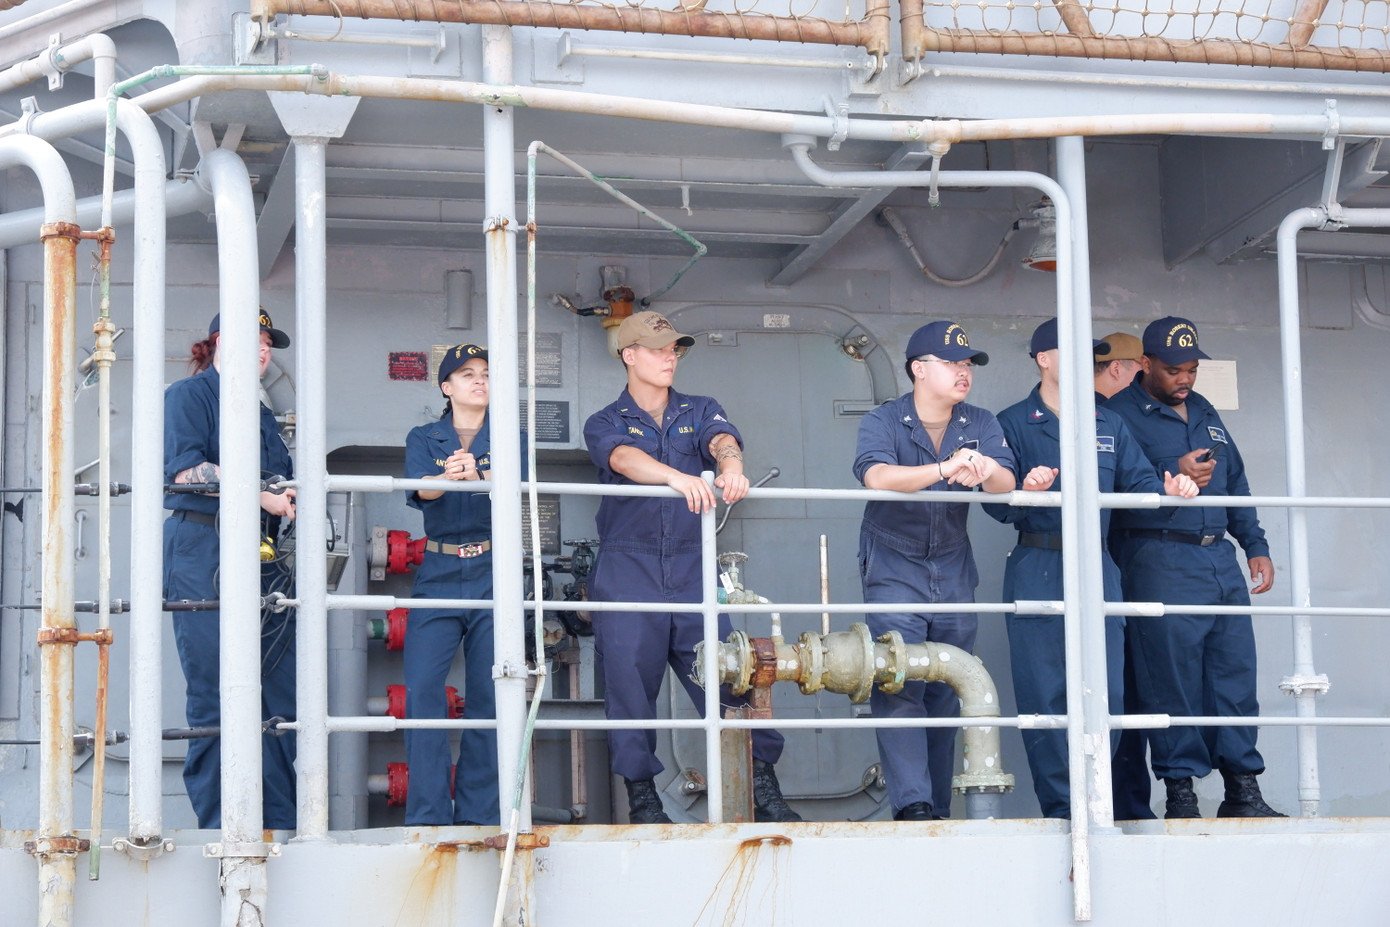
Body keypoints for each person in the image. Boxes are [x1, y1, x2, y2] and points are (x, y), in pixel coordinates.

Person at [583, 310, 799, 825]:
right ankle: (644, 802)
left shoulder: (700, 409)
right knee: (629, 683)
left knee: (730, 672)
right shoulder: (605, 421)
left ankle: (763, 788)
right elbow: (622, 461)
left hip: (690, 567)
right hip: (627, 568)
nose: (668, 357)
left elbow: (723, 440)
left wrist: (731, 466)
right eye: (657, 349)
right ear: (628, 355)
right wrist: (676, 479)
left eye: (674, 349)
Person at [983, 318, 1198, 819]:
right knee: (1045, 695)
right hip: (1040, 560)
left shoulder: (1108, 423)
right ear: (1044, 358)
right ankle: (1062, 811)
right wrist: (1024, 493)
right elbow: (994, 507)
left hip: (1100, 566)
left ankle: (1098, 804)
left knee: (1110, 694)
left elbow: (1142, 488)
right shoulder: (1013, 421)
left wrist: (1170, 492)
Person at [1105, 316, 1284, 819]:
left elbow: (1236, 480)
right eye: (1173, 370)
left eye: (1191, 370)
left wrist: (1254, 544)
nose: (1184, 379)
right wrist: (1174, 474)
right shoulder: (1117, 416)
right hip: (1158, 553)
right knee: (1171, 679)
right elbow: (1110, 498)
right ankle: (1181, 793)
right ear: (1145, 364)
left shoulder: (1203, 409)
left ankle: (1242, 789)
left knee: (1234, 673)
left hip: (1217, 558)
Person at [852, 320, 1016, 821]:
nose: (963, 372)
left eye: (967, 364)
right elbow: (877, 476)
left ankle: (937, 806)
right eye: (951, 363)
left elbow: (1005, 484)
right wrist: (946, 468)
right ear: (919, 369)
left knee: (952, 684)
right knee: (899, 678)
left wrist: (986, 469)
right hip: (893, 560)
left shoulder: (981, 421)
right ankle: (913, 804)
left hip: (951, 560)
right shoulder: (883, 419)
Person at [163, 309, 298, 830]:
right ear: (218, 342)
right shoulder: (189, 396)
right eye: (252, 339)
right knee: (213, 688)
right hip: (204, 544)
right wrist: (258, 492)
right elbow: (185, 470)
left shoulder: (260, 413)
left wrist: (286, 496)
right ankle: (222, 826)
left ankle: (279, 823)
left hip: (264, 556)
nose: (263, 349)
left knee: (278, 693)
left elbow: (281, 476)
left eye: (268, 342)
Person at [402, 342, 516, 826]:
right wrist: (448, 476)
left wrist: (481, 471)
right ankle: (428, 813)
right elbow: (419, 490)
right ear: (447, 388)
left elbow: (518, 484)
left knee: (491, 696)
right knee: (423, 689)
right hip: (440, 570)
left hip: (496, 570)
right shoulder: (424, 436)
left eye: (486, 373)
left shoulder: (511, 437)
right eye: (467, 374)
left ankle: (478, 813)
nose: (479, 380)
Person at [1095, 329, 1160, 820]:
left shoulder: (1111, 419)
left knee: (1123, 692)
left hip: (1120, 567)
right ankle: (1126, 806)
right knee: (1120, 691)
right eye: (1138, 371)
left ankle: (1125, 804)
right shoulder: (1108, 417)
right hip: (1120, 565)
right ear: (1118, 369)